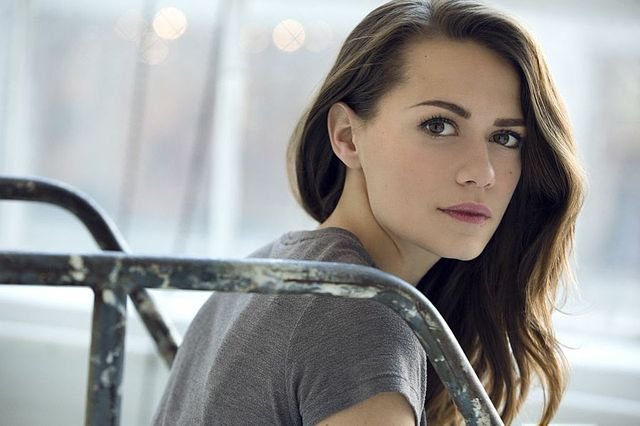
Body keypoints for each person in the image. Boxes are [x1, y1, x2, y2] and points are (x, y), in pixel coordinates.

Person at [153, 0, 585, 424]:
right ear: (347, 136)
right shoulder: (358, 313)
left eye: (506, 138)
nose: (482, 172)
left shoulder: (270, 270)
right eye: (438, 125)